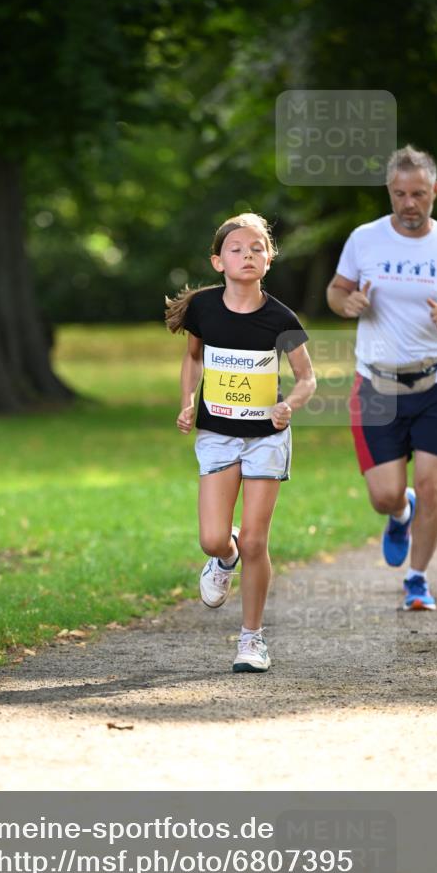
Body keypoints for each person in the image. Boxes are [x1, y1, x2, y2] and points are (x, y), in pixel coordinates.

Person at [165, 212, 316, 673]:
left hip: (265, 440)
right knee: (214, 539)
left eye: (256, 249)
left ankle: (252, 640)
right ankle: (222, 558)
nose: (247, 255)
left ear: (268, 260)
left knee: (256, 541)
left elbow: (307, 378)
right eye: (236, 249)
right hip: (217, 434)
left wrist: (288, 404)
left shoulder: (281, 318)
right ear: (218, 261)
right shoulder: (204, 309)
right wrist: (188, 400)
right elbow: (193, 359)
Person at [326, 145, 437, 610]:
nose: (409, 204)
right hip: (377, 385)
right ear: (389, 192)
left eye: (419, 194)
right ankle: (399, 512)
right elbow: (336, 290)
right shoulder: (364, 239)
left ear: (435, 192)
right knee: (385, 496)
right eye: (400, 194)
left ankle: (417, 578)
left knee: (434, 486)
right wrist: (345, 304)